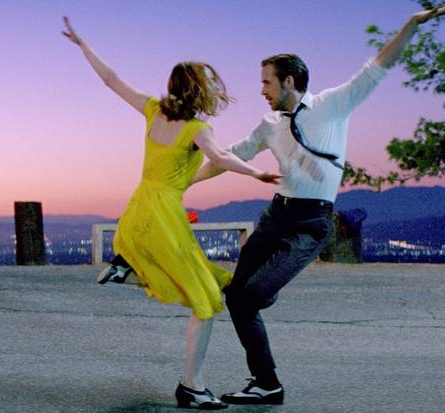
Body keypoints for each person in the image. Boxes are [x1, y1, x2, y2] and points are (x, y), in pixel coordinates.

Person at [192, 5, 445, 405]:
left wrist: (411, 25)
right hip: (275, 215)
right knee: (236, 298)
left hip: (310, 222)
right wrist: (180, 183)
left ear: (289, 81)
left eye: (266, 83)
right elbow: (231, 155)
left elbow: (378, 65)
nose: (261, 90)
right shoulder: (269, 124)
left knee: (250, 297)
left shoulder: (333, 105)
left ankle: (266, 337)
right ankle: (266, 383)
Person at [62, 16, 282, 410]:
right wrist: (257, 171)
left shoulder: (152, 111)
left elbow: (111, 79)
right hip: (164, 216)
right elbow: (220, 157)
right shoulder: (197, 128)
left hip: (138, 210)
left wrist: (83, 45)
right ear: (199, 90)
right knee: (206, 299)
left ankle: (127, 267)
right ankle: (191, 388)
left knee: (205, 290)